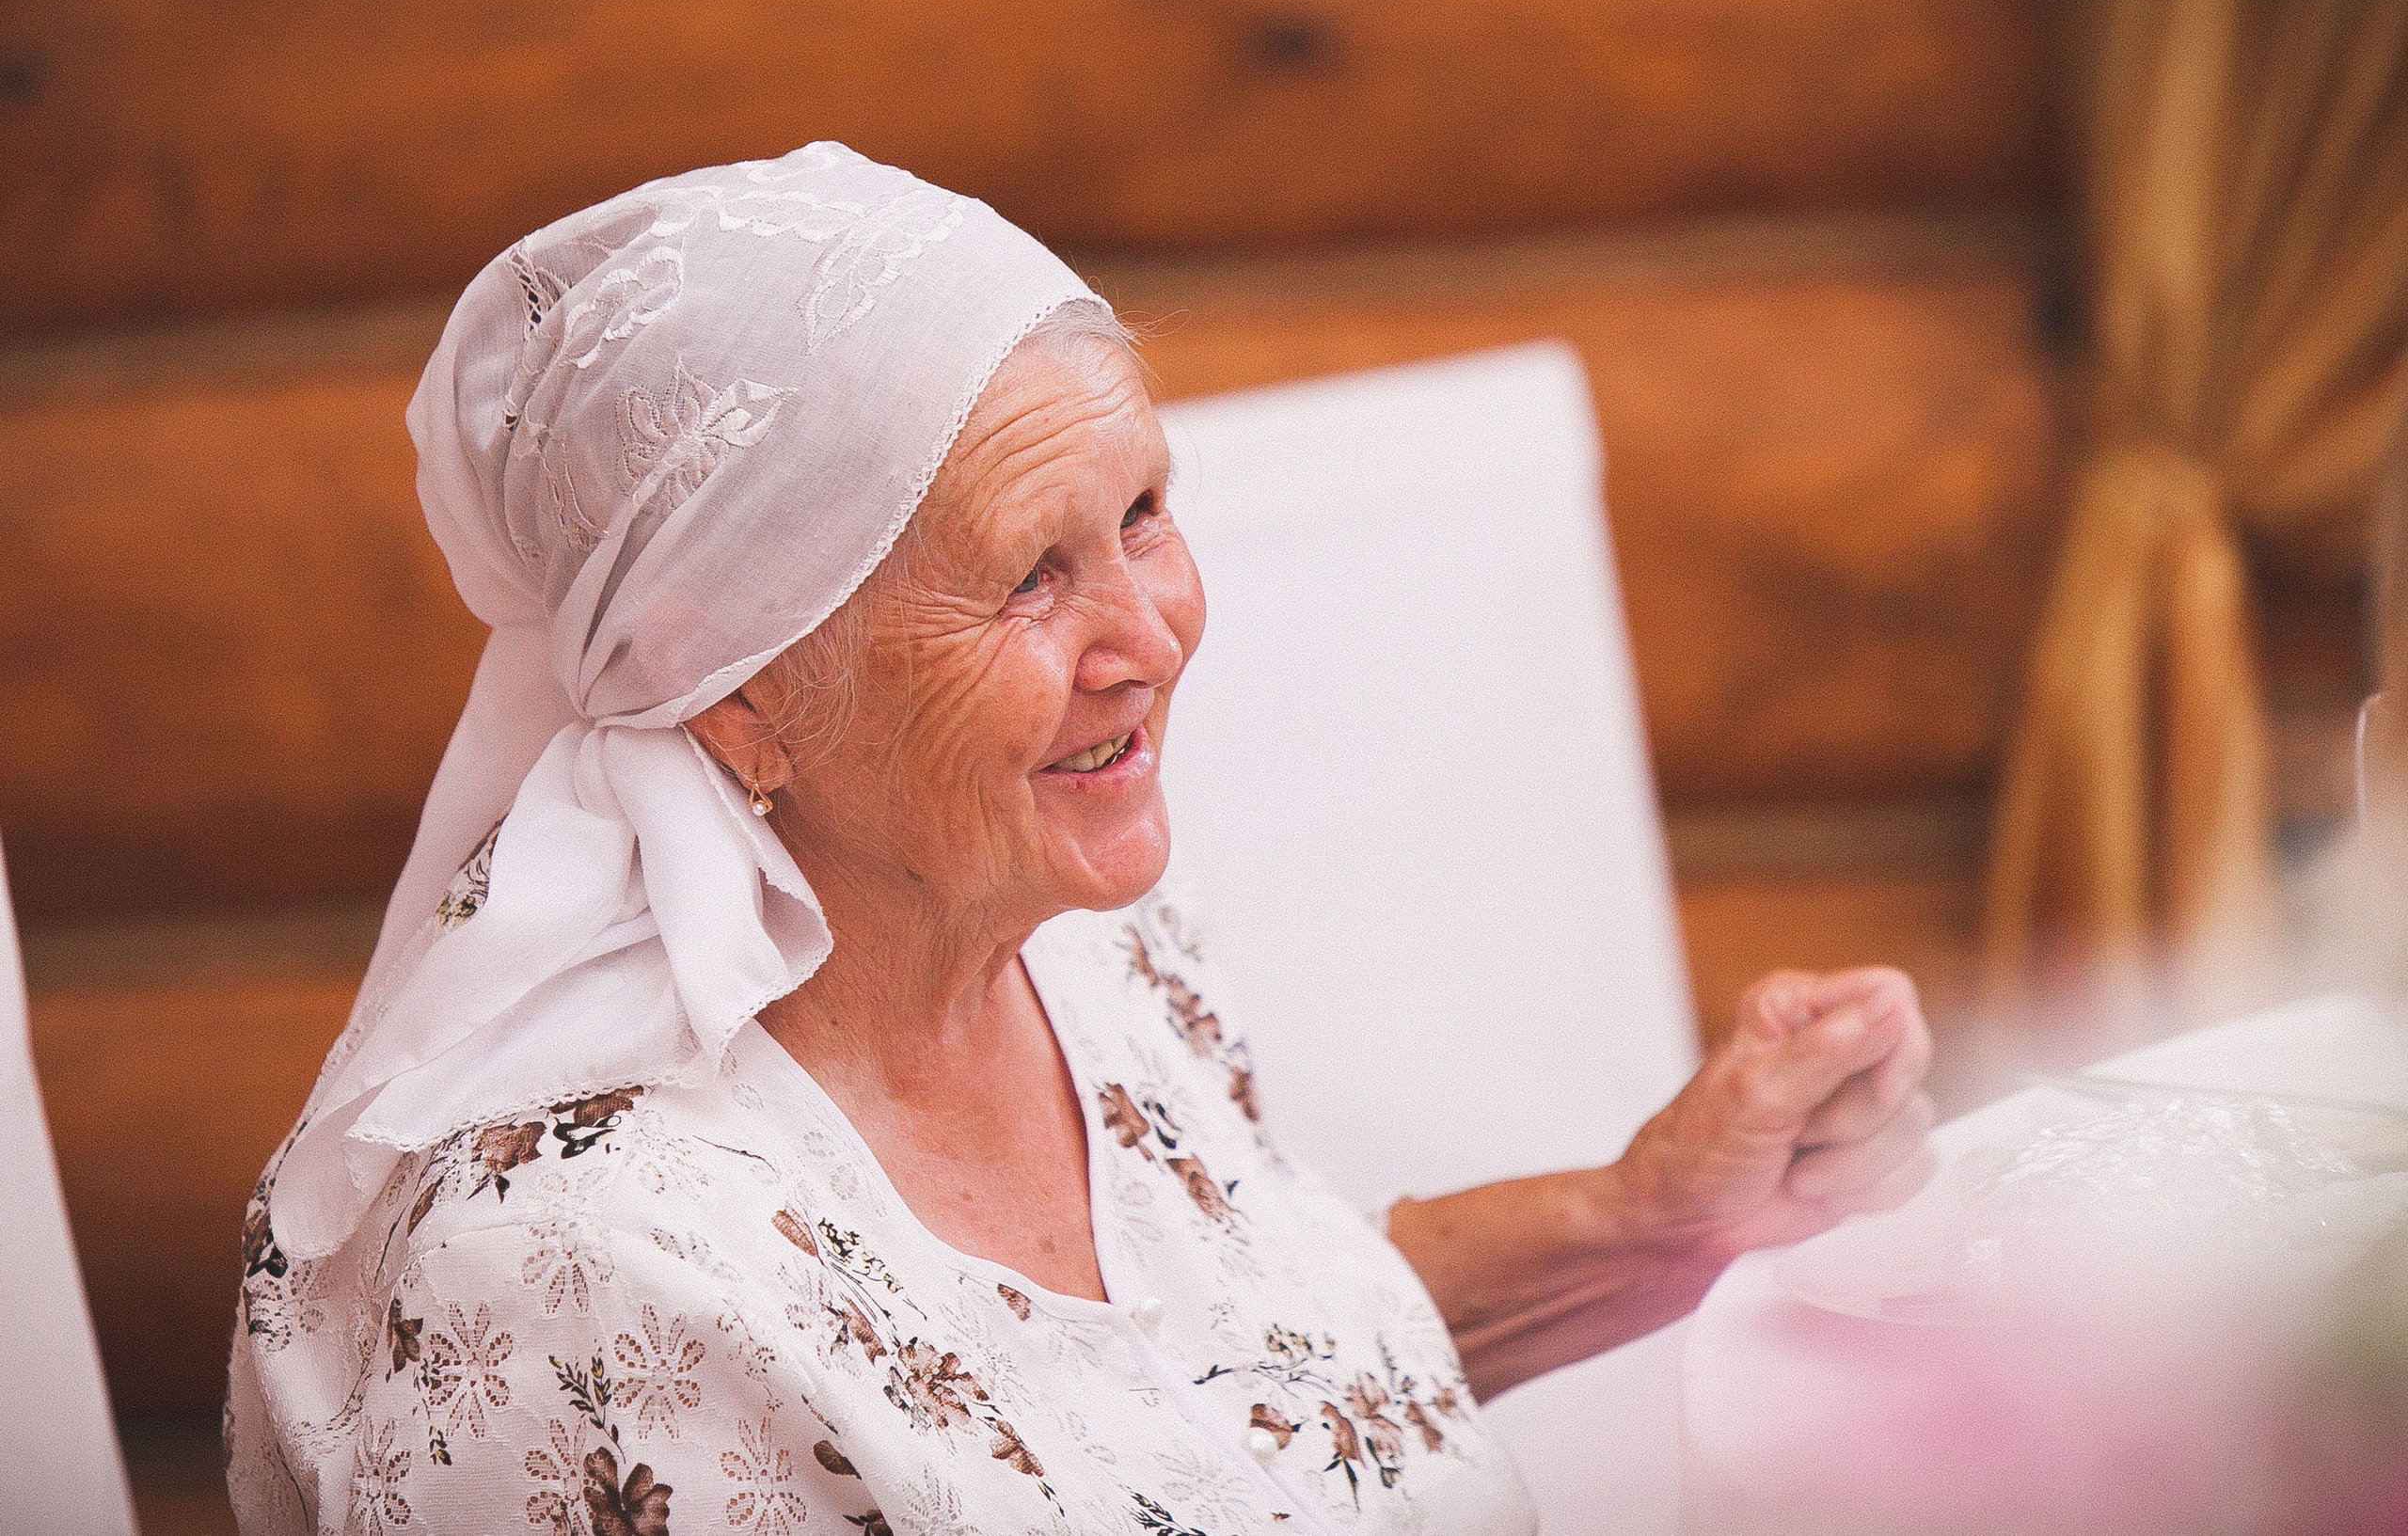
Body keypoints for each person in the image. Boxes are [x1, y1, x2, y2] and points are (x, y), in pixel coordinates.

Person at [226, 144, 1936, 1536]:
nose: (1153, 636)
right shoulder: (573, 1288)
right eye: (1030, 577)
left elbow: (1234, 1408)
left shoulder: (1095, 957)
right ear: (732, 694)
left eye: (1142, 517)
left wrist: (1661, 1215)